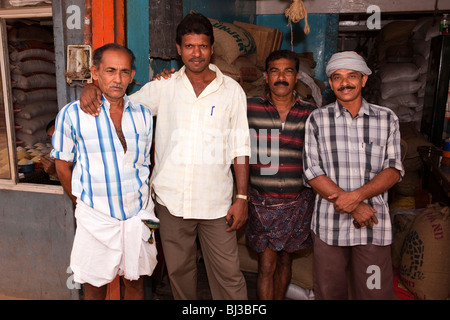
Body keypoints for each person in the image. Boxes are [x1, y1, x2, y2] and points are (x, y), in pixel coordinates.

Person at [79, 12, 250, 300]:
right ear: (178, 49)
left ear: (212, 48)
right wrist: (91, 86)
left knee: (229, 277)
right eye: (190, 46)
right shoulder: (163, 87)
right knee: (179, 275)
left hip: (217, 204)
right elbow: (119, 103)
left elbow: (240, 147)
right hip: (171, 203)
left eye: (203, 46)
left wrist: (242, 198)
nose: (196, 54)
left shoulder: (231, 91)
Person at [51, 43, 158, 300]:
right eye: (110, 71)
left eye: (124, 72)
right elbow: (62, 165)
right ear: (95, 73)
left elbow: (143, 163)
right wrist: (81, 201)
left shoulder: (143, 115)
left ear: (132, 77)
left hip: (137, 214)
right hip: (96, 217)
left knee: (135, 282)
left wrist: (143, 206)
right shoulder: (72, 115)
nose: (117, 79)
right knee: (94, 287)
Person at [302, 51, 405, 299]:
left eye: (351, 76)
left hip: (373, 225)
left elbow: (393, 170)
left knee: (375, 293)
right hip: (329, 225)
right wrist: (355, 206)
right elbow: (312, 171)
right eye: (337, 77)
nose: (344, 83)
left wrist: (357, 197)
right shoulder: (317, 119)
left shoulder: (386, 118)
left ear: (364, 80)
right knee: (330, 293)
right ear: (330, 83)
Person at [246, 50, 315, 299]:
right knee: (266, 266)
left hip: (298, 203)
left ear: (296, 77)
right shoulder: (250, 107)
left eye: (288, 71)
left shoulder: (310, 113)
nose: (281, 77)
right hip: (262, 203)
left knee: (286, 263)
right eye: (275, 71)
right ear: (266, 77)